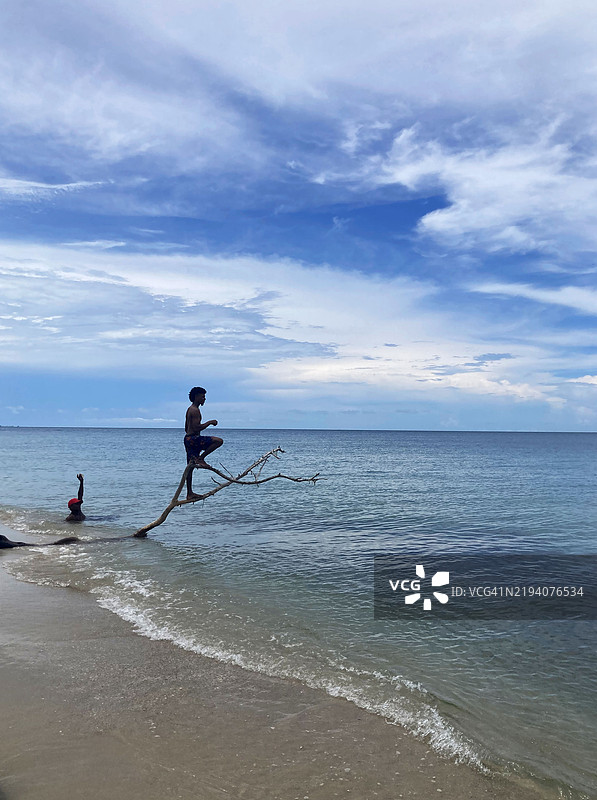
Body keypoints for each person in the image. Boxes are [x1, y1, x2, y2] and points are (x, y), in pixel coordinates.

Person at [184, 386, 223, 500]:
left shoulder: (190, 409)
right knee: (218, 441)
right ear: (196, 397)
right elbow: (196, 427)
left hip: (188, 439)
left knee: (190, 467)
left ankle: (189, 493)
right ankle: (201, 458)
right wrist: (210, 422)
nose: (204, 399)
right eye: (202, 396)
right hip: (192, 439)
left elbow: (186, 428)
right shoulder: (194, 410)